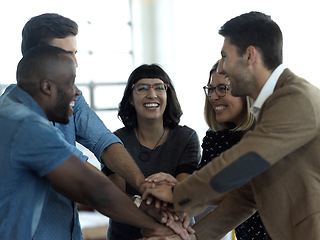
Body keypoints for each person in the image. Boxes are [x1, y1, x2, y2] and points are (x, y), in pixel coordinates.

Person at [141, 11, 320, 240]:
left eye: (225, 56)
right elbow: (247, 196)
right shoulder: (271, 106)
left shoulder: (295, 98)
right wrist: (190, 238)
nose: (222, 68)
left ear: (249, 56)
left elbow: (244, 160)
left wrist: (176, 194)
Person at [0, 45, 173, 239]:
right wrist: (156, 227)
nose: (77, 93)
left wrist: (141, 196)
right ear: (47, 87)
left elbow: (102, 142)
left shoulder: (17, 113)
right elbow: (95, 190)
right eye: (70, 83)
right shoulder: (28, 127)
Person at [102, 64, 201, 240]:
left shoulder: (186, 137)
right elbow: (117, 197)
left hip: (175, 234)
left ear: (167, 95)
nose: (152, 94)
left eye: (159, 88)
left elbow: (182, 195)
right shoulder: (115, 140)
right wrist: (151, 196)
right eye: (142, 88)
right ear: (131, 99)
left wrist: (171, 195)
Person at [199, 60, 265, 239]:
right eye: (210, 89)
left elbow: (249, 196)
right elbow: (201, 187)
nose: (213, 96)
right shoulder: (217, 138)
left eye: (222, 88)